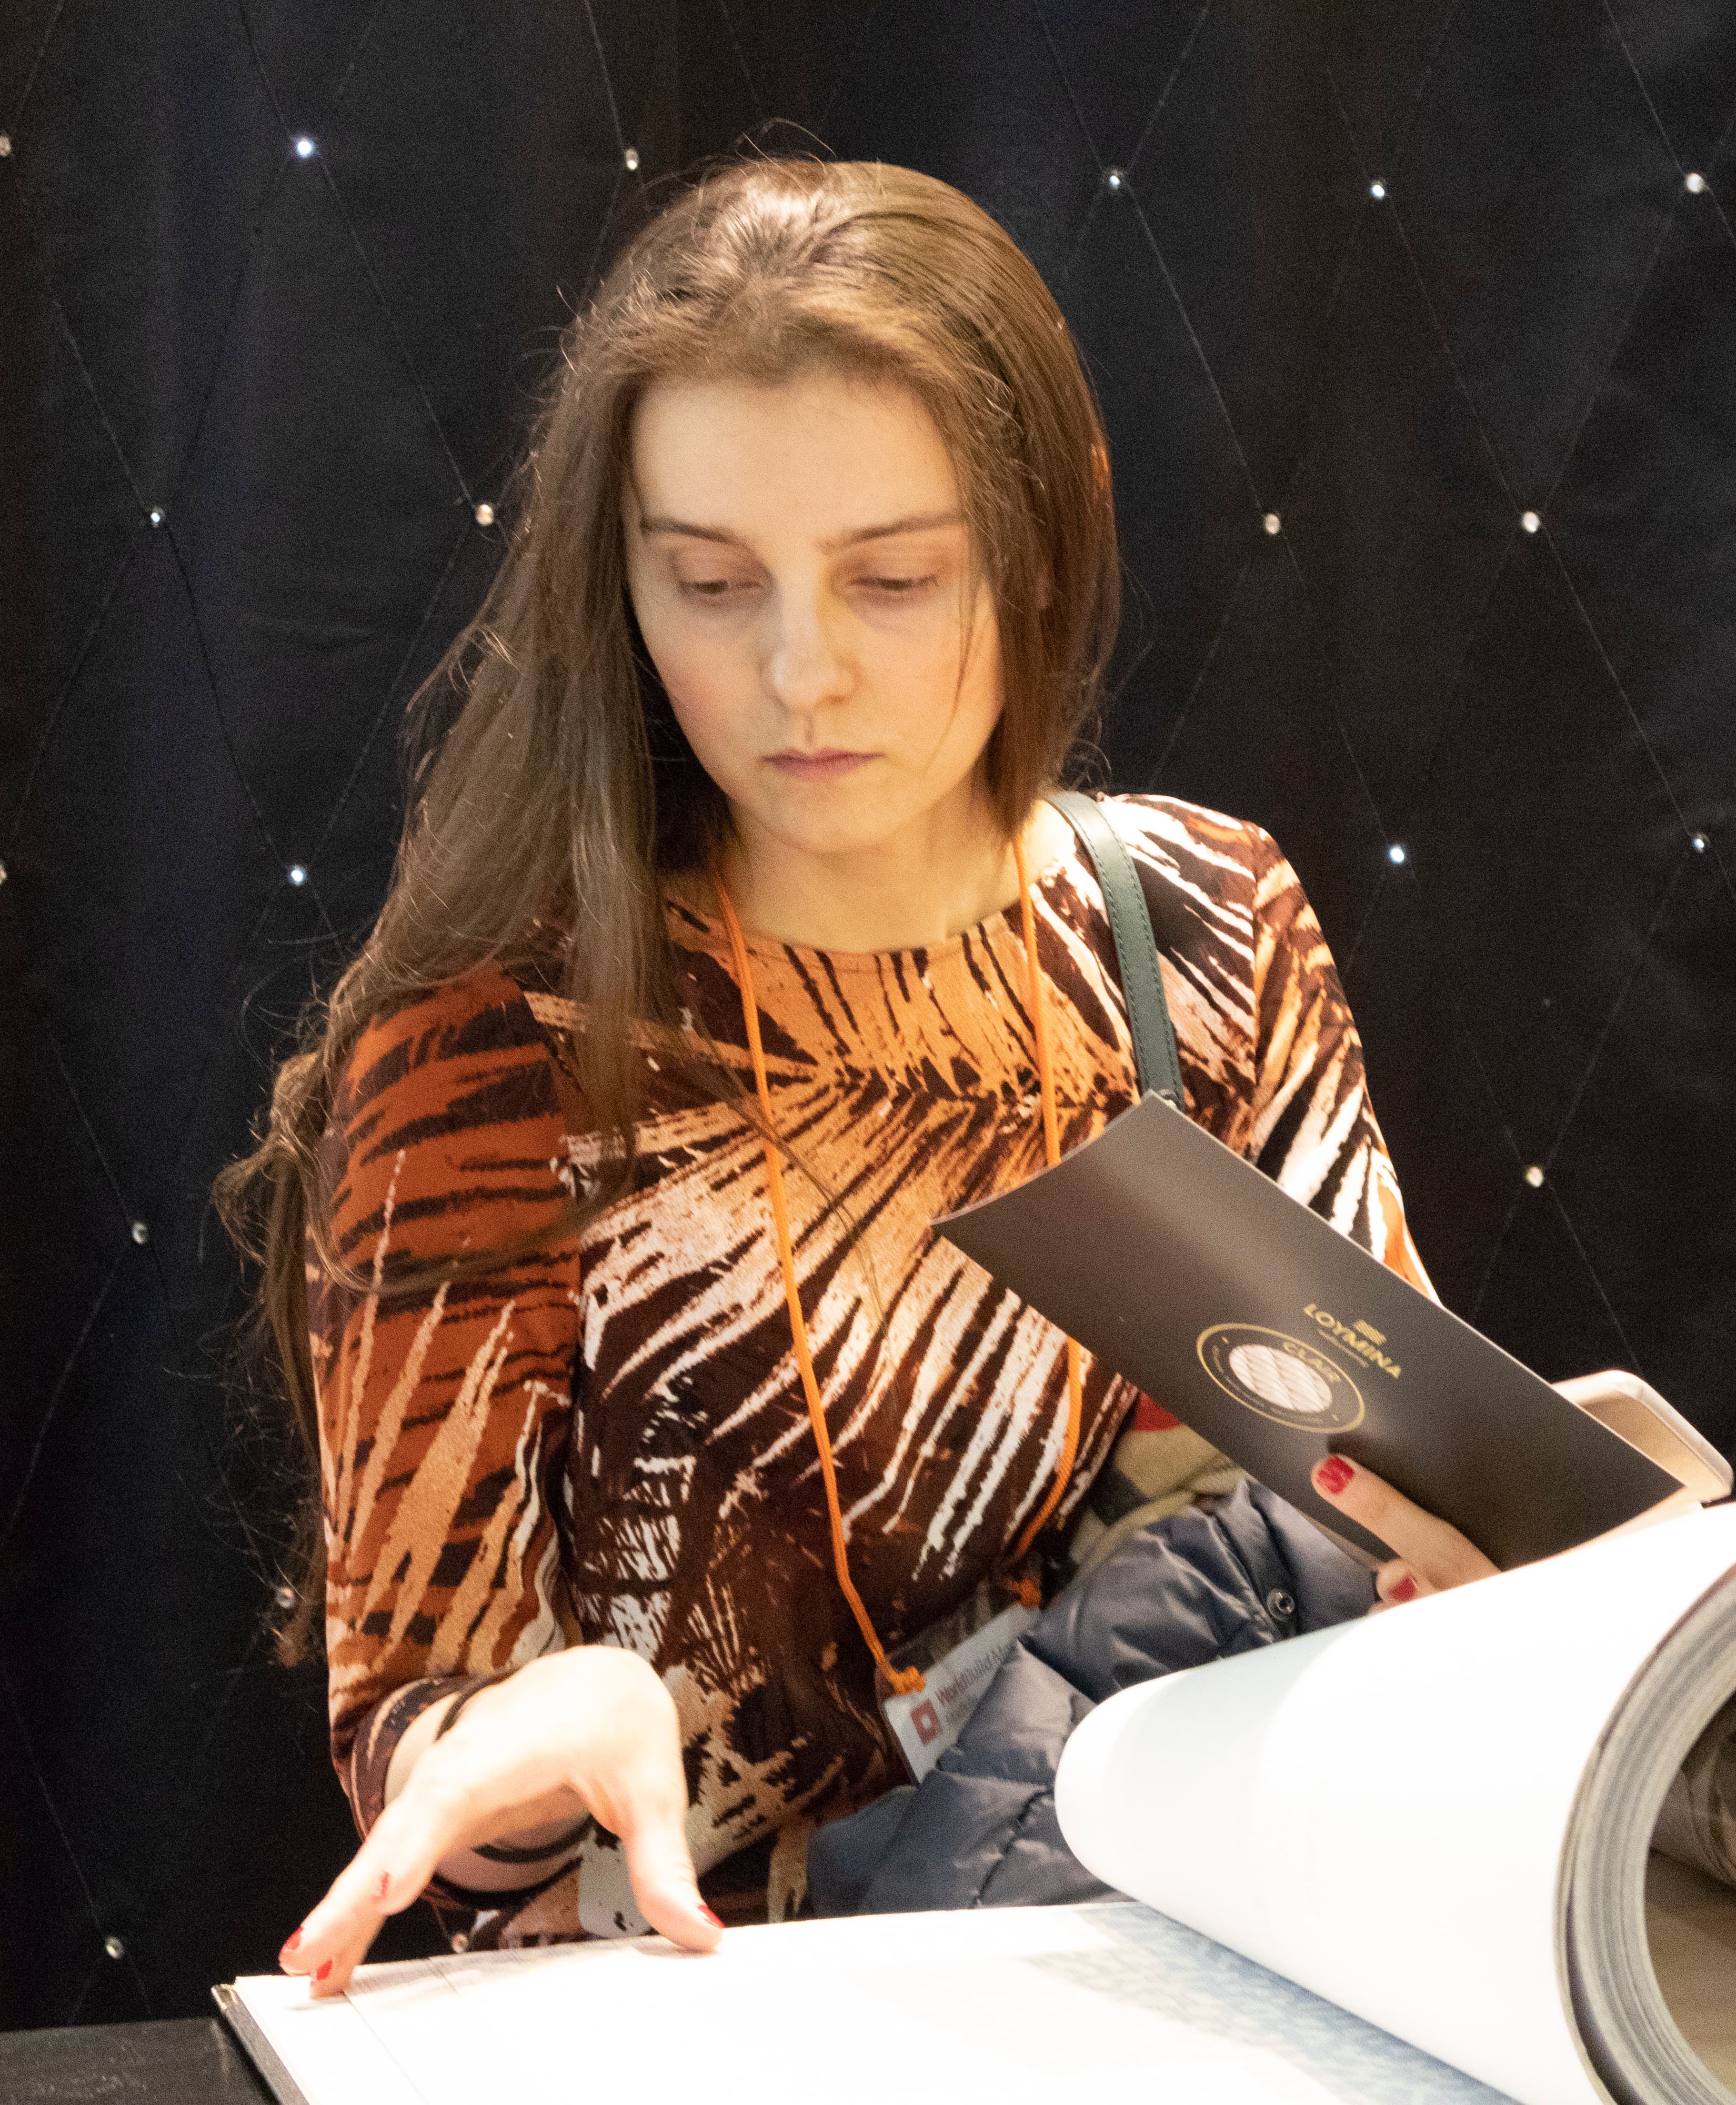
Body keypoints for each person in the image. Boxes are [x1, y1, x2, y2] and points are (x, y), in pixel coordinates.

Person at [218, 157, 1512, 1994]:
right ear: (619, 579)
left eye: (894, 579)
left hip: (1147, 1987)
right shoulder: (494, 1038)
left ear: (1046, 538)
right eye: (708, 582)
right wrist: (534, 1728)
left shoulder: (1204, 932)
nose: (800, 671)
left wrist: (1469, 1588)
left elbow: (1378, 1504)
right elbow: (420, 1739)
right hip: (678, 2013)